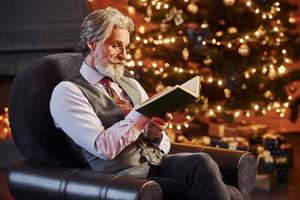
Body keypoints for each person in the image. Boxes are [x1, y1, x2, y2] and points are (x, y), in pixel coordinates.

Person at [50, 7, 243, 200]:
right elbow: (103, 148)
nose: (125, 55)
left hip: (155, 165)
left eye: (126, 47)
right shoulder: (67, 92)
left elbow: (163, 146)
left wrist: (153, 133)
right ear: (92, 43)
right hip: (123, 179)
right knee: (216, 192)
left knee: (202, 162)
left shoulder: (130, 83)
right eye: (116, 45)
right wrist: (141, 115)